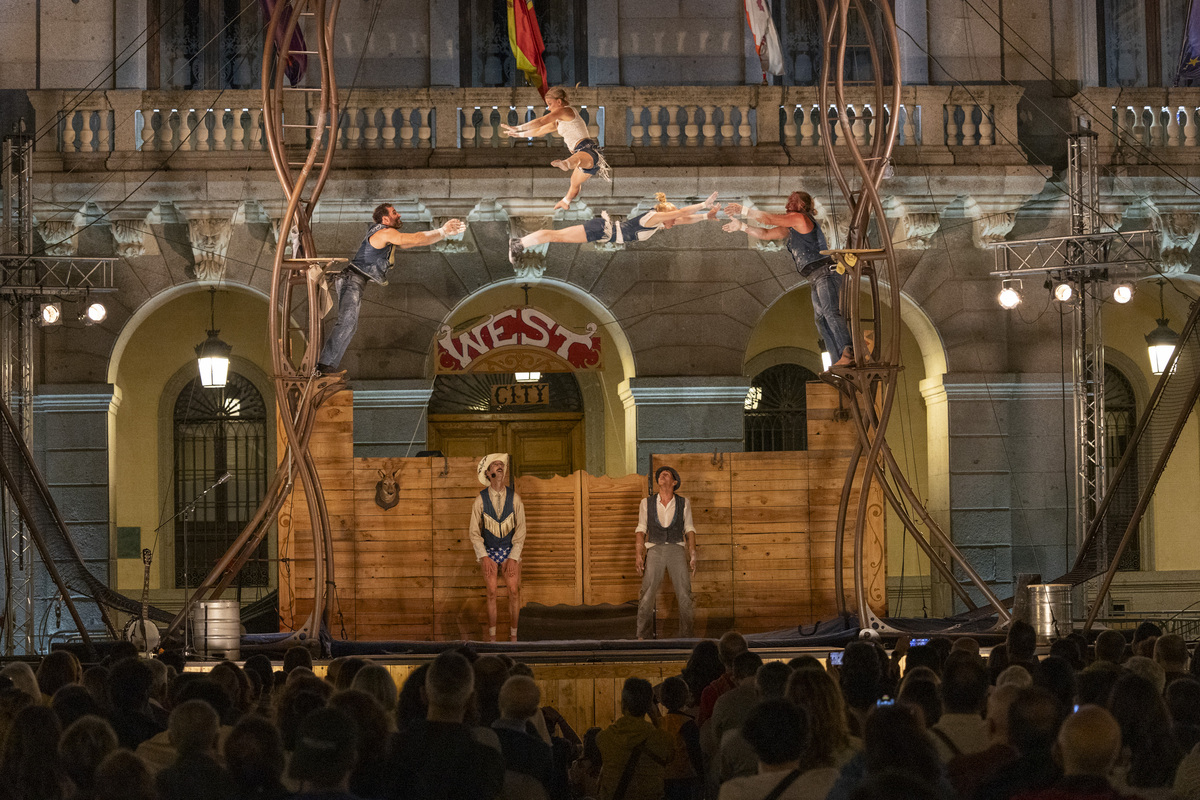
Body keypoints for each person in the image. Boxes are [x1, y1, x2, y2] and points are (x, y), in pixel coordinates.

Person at [317, 203, 465, 374]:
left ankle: (326, 364)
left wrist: (443, 234)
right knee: (347, 322)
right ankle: (324, 365)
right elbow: (415, 238)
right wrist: (443, 231)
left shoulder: (386, 234)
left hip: (355, 281)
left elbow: (414, 241)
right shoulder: (385, 232)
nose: (399, 215)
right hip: (352, 280)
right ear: (385, 218)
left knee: (350, 324)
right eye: (394, 213)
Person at [723, 192, 854, 368]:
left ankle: (848, 352)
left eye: (792, 201)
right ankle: (838, 359)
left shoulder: (800, 219)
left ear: (802, 205)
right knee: (821, 319)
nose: (787, 205)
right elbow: (766, 233)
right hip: (815, 277)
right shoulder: (793, 227)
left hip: (824, 273)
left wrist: (744, 210)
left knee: (830, 312)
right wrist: (741, 227)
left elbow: (769, 219)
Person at [509, 192, 718, 263]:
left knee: (557, 237)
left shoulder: (657, 225)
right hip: (602, 229)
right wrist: (703, 204)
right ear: (666, 214)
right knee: (556, 236)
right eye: (671, 219)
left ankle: (520, 244)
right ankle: (518, 243)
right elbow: (681, 214)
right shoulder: (654, 217)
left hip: (603, 233)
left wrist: (705, 217)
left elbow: (684, 220)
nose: (674, 224)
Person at [500, 86, 611, 210]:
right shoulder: (558, 122)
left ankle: (566, 163)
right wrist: (518, 135)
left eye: (550, 104)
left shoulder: (566, 110)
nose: (549, 108)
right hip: (587, 157)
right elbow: (540, 130)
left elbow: (541, 121)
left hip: (587, 149)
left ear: (559, 101)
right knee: (574, 183)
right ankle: (566, 201)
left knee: (577, 159)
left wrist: (518, 127)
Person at [634, 465, 698, 640]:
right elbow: (641, 529)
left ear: (674, 482)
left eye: (667, 474)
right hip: (654, 549)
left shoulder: (683, 503)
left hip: (677, 549)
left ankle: (687, 637)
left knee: (685, 593)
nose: (662, 476)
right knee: (647, 594)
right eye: (660, 475)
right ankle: (642, 636)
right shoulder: (646, 503)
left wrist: (693, 554)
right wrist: (639, 555)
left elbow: (689, 529)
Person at [468, 453, 527, 642]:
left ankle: (514, 637)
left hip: (510, 551)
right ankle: (492, 638)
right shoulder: (480, 500)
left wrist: (514, 556)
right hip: (490, 551)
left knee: (513, 590)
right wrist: (484, 557)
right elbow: (474, 533)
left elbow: (521, 530)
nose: (499, 467)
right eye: (495, 465)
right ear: (488, 472)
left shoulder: (515, 499)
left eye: (501, 464)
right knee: (492, 591)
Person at [596, 678, 674, 800]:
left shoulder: (604, 738)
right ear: (649, 705)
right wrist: (655, 717)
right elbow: (670, 756)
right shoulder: (661, 739)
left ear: (623, 704)